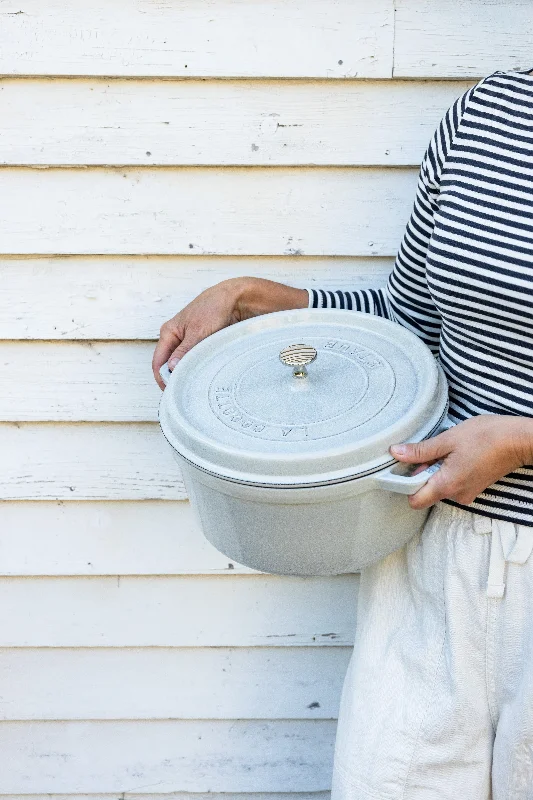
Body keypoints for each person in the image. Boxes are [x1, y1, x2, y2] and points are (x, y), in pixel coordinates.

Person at [153, 69, 533, 798]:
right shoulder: (487, 112)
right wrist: (262, 304)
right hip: (429, 544)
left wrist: (520, 441)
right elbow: (414, 319)